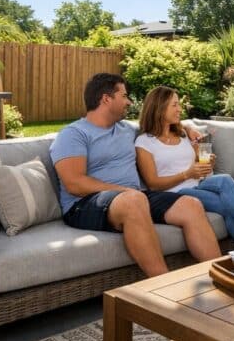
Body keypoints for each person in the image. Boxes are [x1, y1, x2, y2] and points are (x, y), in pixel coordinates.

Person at [50, 73, 221, 277]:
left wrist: (188, 128)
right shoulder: (74, 134)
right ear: (106, 99)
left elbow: (158, 121)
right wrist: (124, 191)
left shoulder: (126, 130)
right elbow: (75, 184)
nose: (129, 102)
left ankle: (219, 277)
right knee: (134, 199)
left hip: (132, 196)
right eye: (124, 96)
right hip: (84, 204)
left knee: (190, 205)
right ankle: (164, 286)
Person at [135, 85, 234, 243]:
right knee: (229, 207)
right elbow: (153, 184)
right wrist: (187, 174)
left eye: (179, 104)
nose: (179, 109)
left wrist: (206, 163)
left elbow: (195, 165)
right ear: (159, 108)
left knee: (225, 179)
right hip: (176, 194)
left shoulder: (182, 134)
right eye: (174, 105)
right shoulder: (144, 142)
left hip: (198, 184)